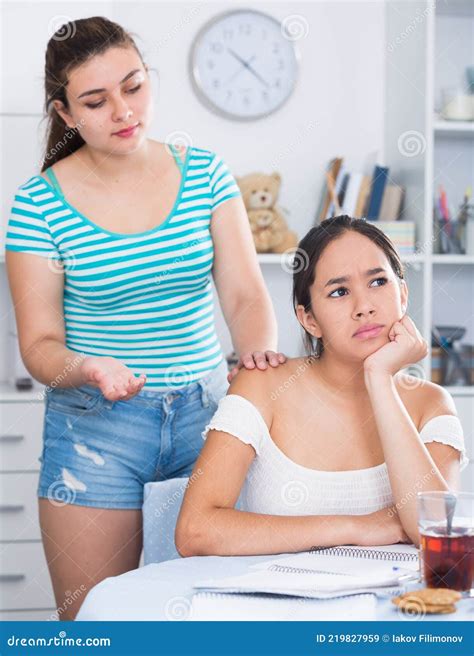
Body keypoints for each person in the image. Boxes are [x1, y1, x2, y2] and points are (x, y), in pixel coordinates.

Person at [5, 16, 286, 619]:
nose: (123, 111)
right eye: (96, 100)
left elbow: (244, 295)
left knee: (214, 619)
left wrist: (257, 360)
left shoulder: (205, 173)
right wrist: (88, 368)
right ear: (66, 112)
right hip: (94, 433)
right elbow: (40, 343)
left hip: (210, 420)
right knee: (94, 627)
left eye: (134, 87)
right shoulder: (37, 205)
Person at [176, 215, 468, 557]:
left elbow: (434, 533)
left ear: (402, 294)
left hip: (392, 606)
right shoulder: (262, 384)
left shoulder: (431, 403)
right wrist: (356, 527)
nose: (365, 307)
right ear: (309, 319)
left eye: (377, 282)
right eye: (339, 291)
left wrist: (379, 378)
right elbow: (194, 531)